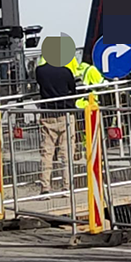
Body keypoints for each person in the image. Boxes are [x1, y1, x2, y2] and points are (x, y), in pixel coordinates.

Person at [35, 56, 77, 192]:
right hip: (65, 115)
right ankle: (67, 186)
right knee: (66, 153)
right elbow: (73, 89)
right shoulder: (66, 72)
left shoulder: (40, 71)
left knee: (47, 153)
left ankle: (45, 187)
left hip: (47, 115)